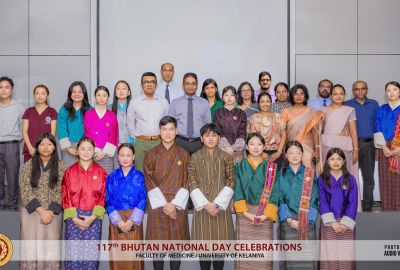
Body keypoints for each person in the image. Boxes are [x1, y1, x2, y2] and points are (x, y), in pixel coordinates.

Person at [143, 116, 190, 270]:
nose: (168, 133)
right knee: (158, 250)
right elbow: (149, 181)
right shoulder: (151, 154)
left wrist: (174, 204)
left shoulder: (184, 154)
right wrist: (165, 205)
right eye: (164, 129)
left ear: (176, 131)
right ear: (159, 131)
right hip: (158, 207)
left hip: (177, 205)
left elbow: (188, 181)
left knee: (176, 250)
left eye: (171, 129)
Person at [189, 123, 235, 270]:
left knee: (219, 251)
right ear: (201, 138)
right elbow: (191, 181)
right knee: (203, 251)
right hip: (202, 208)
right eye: (207, 135)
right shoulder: (194, 157)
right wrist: (206, 204)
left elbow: (231, 181)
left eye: (214, 135)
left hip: (220, 209)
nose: (211, 138)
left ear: (219, 138)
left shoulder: (226, 157)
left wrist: (217, 204)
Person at [269, 141, 319, 270]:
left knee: (308, 260)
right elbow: (278, 197)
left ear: (303, 155)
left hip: (307, 222)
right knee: (289, 261)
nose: (295, 155)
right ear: (285, 155)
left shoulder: (310, 174)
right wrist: (289, 219)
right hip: (288, 222)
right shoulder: (281, 174)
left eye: (298, 152)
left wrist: (307, 220)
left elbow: (315, 198)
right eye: (291, 152)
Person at [20, 133, 66, 270]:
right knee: (30, 248)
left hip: (53, 214)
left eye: (49, 144)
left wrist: (49, 212)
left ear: (54, 147)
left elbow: (63, 189)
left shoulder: (61, 166)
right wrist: (41, 211)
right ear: (37, 147)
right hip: (31, 212)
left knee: (50, 248)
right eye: (42, 144)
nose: (46, 147)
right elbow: (24, 187)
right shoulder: (29, 164)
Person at [233, 133, 279, 270]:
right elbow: (238, 190)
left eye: (259, 144)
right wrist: (247, 214)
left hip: (264, 214)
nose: (256, 147)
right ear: (246, 147)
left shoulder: (271, 167)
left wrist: (264, 216)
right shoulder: (239, 166)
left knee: (263, 257)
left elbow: (275, 192)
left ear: (264, 147)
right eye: (252, 144)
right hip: (245, 214)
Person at [62, 137, 107, 270]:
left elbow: (103, 196)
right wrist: (74, 218)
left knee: (91, 256)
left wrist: (93, 217)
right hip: (73, 217)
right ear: (77, 151)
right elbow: (65, 195)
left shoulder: (101, 172)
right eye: (82, 149)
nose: (86, 152)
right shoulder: (69, 171)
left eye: (89, 149)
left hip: (93, 219)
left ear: (94, 151)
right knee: (73, 255)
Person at [106, 143, 146, 270]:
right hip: (116, 220)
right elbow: (108, 199)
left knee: (134, 255)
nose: (125, 158)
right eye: (122, 155)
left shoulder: (140, 176)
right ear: (118, 157)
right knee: (117, 255)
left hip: (133, 219)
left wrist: (131, 220)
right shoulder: (112, 177)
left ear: (134, 156)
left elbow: (143, 198)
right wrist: (118, 221)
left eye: (128, 155)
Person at [321, 84, 361, 211]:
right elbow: (318, 130)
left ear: (345, 95)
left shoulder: (349, 110)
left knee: (346, 175)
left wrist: (356, 150)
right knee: (328, 175)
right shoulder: (323, 110)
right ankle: (329, 206)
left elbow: (353, 131)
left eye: (341, 94)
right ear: (331, 96)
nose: (338, 96)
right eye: (335, 94)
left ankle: (349, 206)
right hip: (327, 146)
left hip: (345, 147)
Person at [319, 148, 358, 270]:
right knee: (329, 258)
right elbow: (322, 201)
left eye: (339, 159)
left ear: (344, 161)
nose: (335, 162)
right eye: (332, 159)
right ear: (327, 161)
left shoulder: (350, 179)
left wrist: (345, 223)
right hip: (329, 224)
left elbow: (353, 202)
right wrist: (333, 222)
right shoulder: (321, 179)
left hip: (346, 225)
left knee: (345, 258)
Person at [345, 80, 379, 211]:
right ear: (353, 91)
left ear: (367, 90)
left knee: (368, 178)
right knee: (350, 178)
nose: (360, 91)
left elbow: (377, 125)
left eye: (363, 88)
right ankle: (350, 205)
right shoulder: (347, 105)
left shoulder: (374, 104)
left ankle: (367, 206)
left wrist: (378, 146)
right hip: (352, 145)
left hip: (370, 145)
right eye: (357, 89)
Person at [127, 72, 169, 172]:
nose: (149, 84)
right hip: (141, 142)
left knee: (159, 171)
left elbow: (167, 122)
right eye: (146, 82)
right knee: (140, 172)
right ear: (141, 85)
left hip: (159, 142)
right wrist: (136, 140)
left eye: (152, 82)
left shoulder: (163, 102)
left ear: (156, 85)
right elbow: (130, 123)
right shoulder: (134, 102)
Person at [281, 84, 324, 169]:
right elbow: (283, 133)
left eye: (302, 93)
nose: (299, 96)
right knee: (292, 172)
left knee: (308, 173)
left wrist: (317, 150)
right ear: (292, 96)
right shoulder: (285, 111)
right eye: (296, 94)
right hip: (290, 147)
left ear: (305, 96)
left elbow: (316, 133)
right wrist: (283, 150)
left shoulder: (312, 112)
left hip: (308, 147)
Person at [170, 72, 211, 154]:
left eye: (193, 84)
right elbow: (171, 125)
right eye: (187, 83)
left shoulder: (204, 103)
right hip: (180, 142)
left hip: (199, 143)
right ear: (183, 85)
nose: (190, 86)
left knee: (199, 167)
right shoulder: (175, 103)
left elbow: (208, 125)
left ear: (197, 85)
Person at [374, 81, 400, 211]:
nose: (391, 93)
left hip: (399, 147)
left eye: (394, 89)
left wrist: (399, 149)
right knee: (386, 180)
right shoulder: (381, 109)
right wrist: (383, 148)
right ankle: (388, 210)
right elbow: (377, 129)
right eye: (388, 90)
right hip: (385, 147)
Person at [0, 76, 24, 210]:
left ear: (12, 89)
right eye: (1, 87)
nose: (3, 90)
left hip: (11, 145)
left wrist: (15, 140)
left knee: (12, 176)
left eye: (6, 87)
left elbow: (24, 128)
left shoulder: (19, 108)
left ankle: (12, 204)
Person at [84, 85, 119, 173]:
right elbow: (87, 133)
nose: (101, 98)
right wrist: (96, 150)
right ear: (95, 97)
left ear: (108, 97)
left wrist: (104, 152)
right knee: (92, 178)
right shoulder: (88, 114)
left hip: (107, 153)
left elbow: (114, 135)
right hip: (92, 152)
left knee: (107, 177)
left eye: (104, 95)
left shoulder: (112, 115)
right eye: (98, 95)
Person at [57, 81, 91, 167]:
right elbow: (61, 128)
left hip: (85, 146)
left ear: (84, 94)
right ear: (70, 94)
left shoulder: (90, 109)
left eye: (80, 92)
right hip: (68, 145)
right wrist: (68, 148)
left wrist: (84, 147)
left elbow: (92, 130)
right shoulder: (64, 109)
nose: (77, 94)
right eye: (74, 92)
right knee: (69, 173)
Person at [247, 92, 286, 166]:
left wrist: (279, 152)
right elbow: (251, 138)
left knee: (276, 176)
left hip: (277, 153)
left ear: (271, 103)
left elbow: (284, 135)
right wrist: (261, 152)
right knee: (261, 176)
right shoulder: (253, 118)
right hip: (258, 153)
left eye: (268, 101)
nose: (265, 104)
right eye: (262, 101)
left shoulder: (278, 116)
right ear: (258, 104)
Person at [22, 84, 57, 162]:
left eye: (43, 93)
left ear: (47, 95)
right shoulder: (28, 111)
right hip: (30, 150)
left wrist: (45, 147)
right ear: (34, 95)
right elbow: (24, 132)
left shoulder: (52, 111)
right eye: (37, 93)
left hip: (46, 150)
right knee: (29, 173)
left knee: (46, 174)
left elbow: (53, 132)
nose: (40, 96)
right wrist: (30, 148)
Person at [214, 86, 247, 163]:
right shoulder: (218, 112)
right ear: (222, 98)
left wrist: (234, 147)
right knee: (222, 173)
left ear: (236, 97)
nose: (229, 97)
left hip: (237, 151)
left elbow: (242, 132)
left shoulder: (241, 113)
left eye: (232, 95)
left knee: (237, 173)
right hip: (222, 150)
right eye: (226, 95)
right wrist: (227, 147)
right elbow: (217, 131)